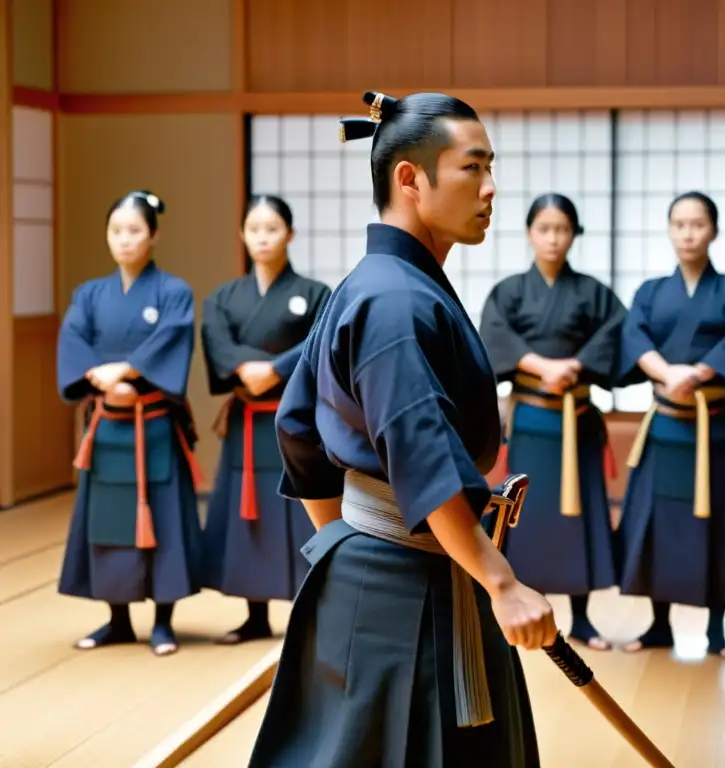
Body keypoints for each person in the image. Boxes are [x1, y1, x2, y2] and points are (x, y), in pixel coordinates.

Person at [247, 91, 555, 768]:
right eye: (472, 168)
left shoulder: (375, 285)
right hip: (404, 587)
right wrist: (500, 581)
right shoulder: (393, 299)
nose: (491, 187)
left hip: (385, 570)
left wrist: (339, 538)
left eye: (489, 166)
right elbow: (420, 453)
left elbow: (298, 425)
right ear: (411, 180)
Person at [615, 192, 725, 656]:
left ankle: (717, 630)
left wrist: (697, 373)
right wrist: (666, 373)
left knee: (714, 522)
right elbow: (634, 335)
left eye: (697, 224)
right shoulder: (651, 292)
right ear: (670, 230)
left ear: (713, 230)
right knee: (659, 522)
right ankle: (659, 624)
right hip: (665, 426)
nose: (688, 233)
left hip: (710, 426)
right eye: (679, 224)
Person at [57, 190, 203, 657]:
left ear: (154, 235)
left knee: (162, 520)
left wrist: (124, 371)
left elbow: (171, 340)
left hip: (154, 423)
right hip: (107, 426)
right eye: (115, 231)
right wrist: (102, 382)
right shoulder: (89, 294)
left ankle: (163, 622)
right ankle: (117, 620)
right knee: (109, 521)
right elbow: (74, 343)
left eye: (134, 231)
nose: (124, 240)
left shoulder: (173, 292)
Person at [479, 193, 625, 652]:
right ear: (529, 233)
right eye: (544, 229)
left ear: (573, 234)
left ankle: (581, 618)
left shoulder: (592, 293)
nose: (553, 238)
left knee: (576, 515)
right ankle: (523, 609)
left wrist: (577, 366)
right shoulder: (509, 292)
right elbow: (495, 335)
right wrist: (539, 364)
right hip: (532, 422)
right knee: (529, 515)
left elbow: (617, 333)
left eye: (562, 229)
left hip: (576, 420)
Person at [200, 195, 331, 644]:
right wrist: (250, 369)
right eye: (254, 228)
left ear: (289, 235)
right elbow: (217, 344)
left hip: (294, 420)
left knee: (299, 510)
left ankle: (307, 610)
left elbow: (320, 344)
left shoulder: (315, 295)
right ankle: (254, 615)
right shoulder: (223, 298)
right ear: (242, 234)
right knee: (249, 512)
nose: (262, 237)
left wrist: (273, 370)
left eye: (272, 228)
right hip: (246, 422)